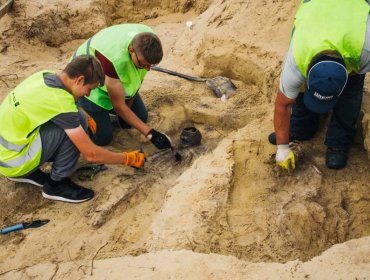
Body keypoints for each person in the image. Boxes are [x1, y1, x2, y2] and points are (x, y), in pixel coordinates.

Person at [0, 55, 146, 203]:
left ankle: (25, 172)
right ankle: (56, 185)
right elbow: (91, 155)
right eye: (90, 89)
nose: (88, 94)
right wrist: (127, 158)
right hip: (14, 161)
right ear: (80, 80)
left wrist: (79, 111)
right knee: (77, 125)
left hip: (5, 155)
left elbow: (54, 104)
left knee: (77, 117)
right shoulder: (61, 102)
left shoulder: (43, 75)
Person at [270, 0, 370, 171]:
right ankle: (301, 127)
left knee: (351, 94)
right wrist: (282, 148)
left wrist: (350, 76)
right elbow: (282, 104)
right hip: (316, 10)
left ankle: (338, 143)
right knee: (297, 92)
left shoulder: (365, 49)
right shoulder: (296, 60)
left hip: (354, 13)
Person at [73, 23, 173, 150]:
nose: (148, 69)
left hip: (114, 78)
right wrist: (150, 134)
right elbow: (119, 106)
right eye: (144, 64)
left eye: (150, 65)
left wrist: (127, 112)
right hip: (89, 84)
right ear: (131, 50)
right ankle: (82, 112)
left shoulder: (149, 40)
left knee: (141, 117)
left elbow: (136, 82)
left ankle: (110, 119)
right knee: (103, 138)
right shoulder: (112, 60)